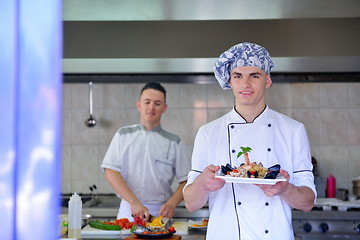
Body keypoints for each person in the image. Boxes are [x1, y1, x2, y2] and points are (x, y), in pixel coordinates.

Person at [183, 42, 316, 240]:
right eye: (238, 76)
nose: (245, 84)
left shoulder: (293, 130)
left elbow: (307, 203)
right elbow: (191, 204)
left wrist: (285, 189)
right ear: (230, 81)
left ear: (267, 80)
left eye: (254, 75)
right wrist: (203, 183)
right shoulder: (208, 133)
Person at [101, 82, 190, 221]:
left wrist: (172, 204)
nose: (151, 107)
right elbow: (110, 171)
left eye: (157, 103)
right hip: (129, 210)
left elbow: (186, 180)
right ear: (139, 105)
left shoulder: (174, 142)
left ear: (164, 108)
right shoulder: (122, 135)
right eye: (147, 102)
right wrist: (134, 202)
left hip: (161, 212)